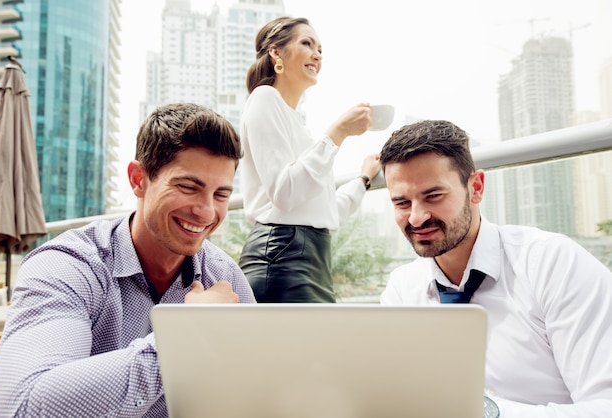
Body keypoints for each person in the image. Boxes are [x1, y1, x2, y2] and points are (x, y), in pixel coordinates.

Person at [0, 103, 256, 417]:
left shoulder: (225, 277)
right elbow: (26, 409)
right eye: (188, 187)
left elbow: (255, 389)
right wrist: (188, 335)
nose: (207, 211)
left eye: (221, 195)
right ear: (138, 179)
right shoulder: (67, 266)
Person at [379, 119, 612, 417]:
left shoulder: (553, 263)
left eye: (433, 196)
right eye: (401, 203)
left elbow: (606, 406)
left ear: (476, 188)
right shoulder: (402, 289)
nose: (416, 217)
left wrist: (484, 412)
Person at [238, 16, 382, 303]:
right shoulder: (265, 98)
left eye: (320, 49)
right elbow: (285, 192)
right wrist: (338, 132)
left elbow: (326, 211)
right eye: (307, 43)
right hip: (282, 255)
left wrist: (362, 180)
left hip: (312, 257)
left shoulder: (298, 125)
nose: (317, 54)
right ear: (276, 53)